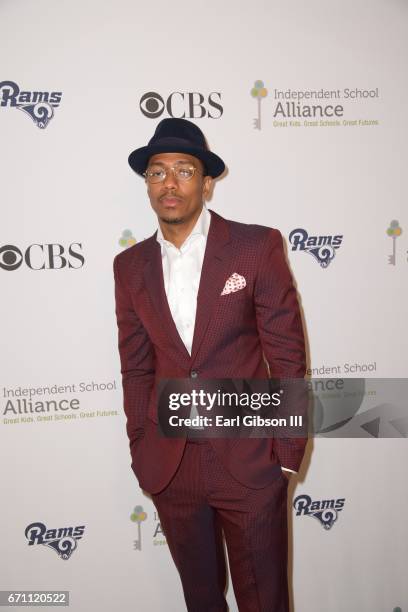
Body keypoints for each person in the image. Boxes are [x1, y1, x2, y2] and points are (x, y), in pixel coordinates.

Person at [113, 118, 307, 612]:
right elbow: (136, 367)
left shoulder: (254, 246)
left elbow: (286, 356)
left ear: (206, 181)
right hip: (171, 465)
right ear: (148, 184)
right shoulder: (129, 266)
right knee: (200, 600)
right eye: (157, 173)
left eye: (184, 170)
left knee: (265, 601)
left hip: (249, 463)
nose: (169, 183)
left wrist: (284, 453)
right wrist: (141, 443)